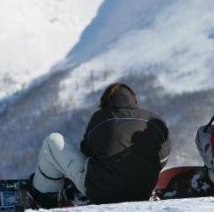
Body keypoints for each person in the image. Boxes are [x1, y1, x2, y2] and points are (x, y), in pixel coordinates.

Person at [29, 83, 171, 207]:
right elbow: (163, 159)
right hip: (142, 192)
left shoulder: (101, 118)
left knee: (52, 141)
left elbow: (86, 152)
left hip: (101, 192)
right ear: (134, 100)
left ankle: (45, 198)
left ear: (105, 102)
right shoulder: (153, 121)